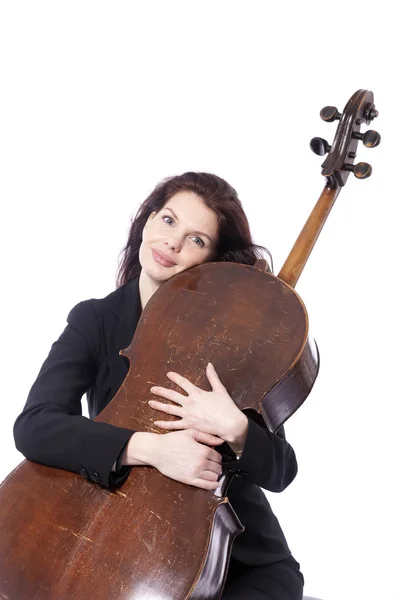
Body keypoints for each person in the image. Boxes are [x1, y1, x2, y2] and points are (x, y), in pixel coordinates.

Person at [14, 171, 304, 600]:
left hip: (240, 557)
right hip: (121, 542)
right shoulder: (97, 320)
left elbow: (282, 470)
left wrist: (236, 428)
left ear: (213, 260)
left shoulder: (233, 340)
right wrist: (150, 449)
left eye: (197, 240)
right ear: (147, 221)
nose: (173, 243)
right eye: (168, 221)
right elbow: (35, 425)